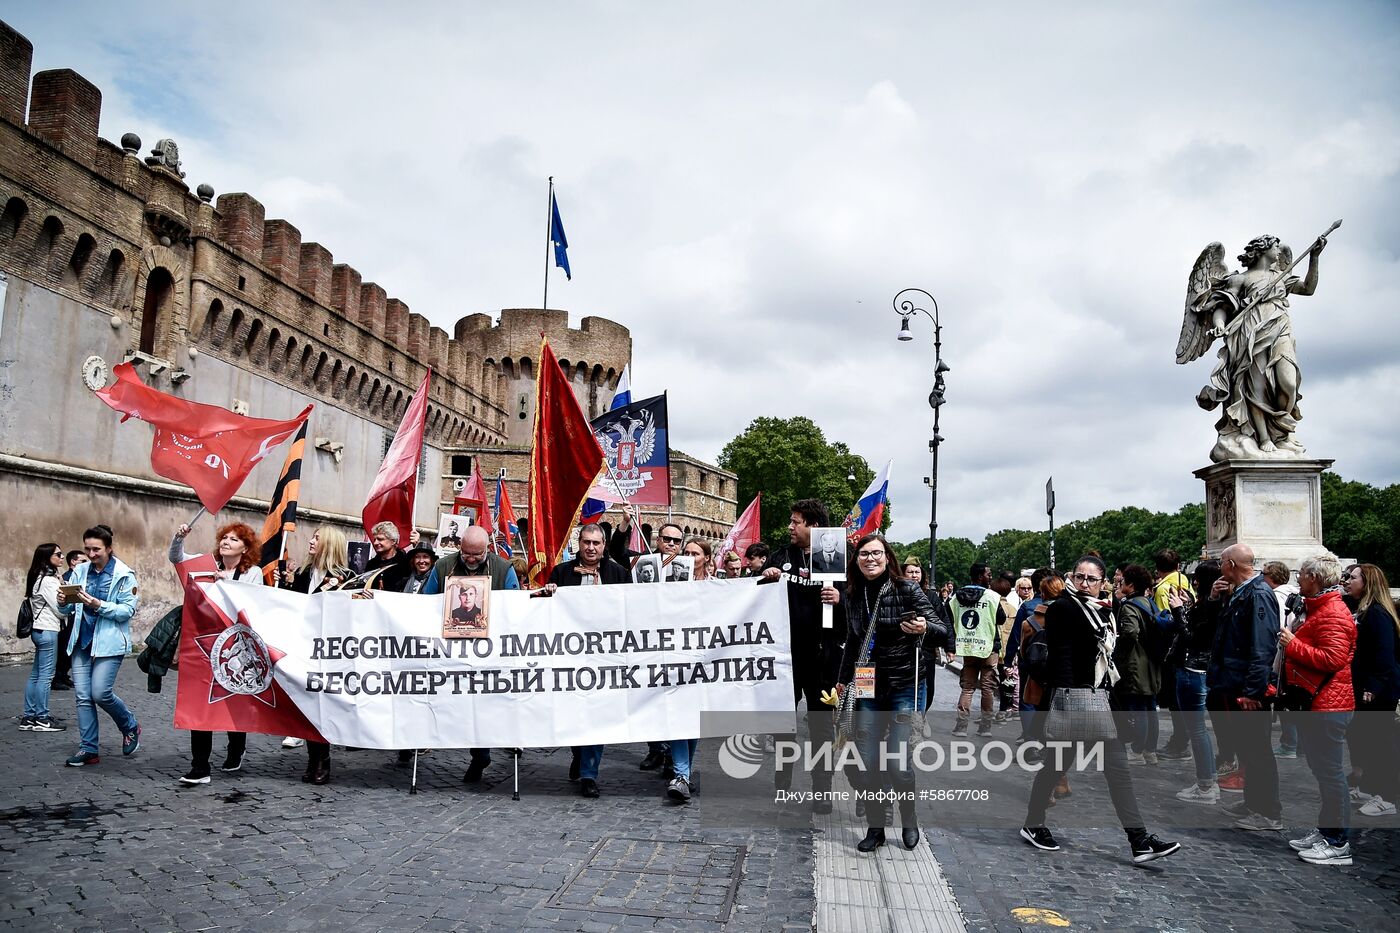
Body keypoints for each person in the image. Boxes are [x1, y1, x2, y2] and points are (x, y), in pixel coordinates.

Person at [1019, 555, 1180, 864]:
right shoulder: (1065, 608)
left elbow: (1110, 659)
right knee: (1055, 766)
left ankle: (1139, 840)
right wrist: (1069, 700)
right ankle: (1034, 824)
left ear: (1103, 582)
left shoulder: (1105, 612)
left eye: (1091, 579)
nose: (1084, 583)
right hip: (1075, 701)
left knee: (1112, 771)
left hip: (1101, 700)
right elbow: (1061, 659)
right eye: (1079, 576)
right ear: (1071, 577)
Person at [829, 533, 946, 852]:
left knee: (897, 763)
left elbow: (943, 630)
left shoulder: (906, 589)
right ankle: (876, 828)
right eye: (864, 554)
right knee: (866, 763)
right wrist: (842, 680)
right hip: (866, 682)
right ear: (856, 560)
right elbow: (854, 640)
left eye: (877, 553)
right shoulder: (853, 594)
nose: (870, 559)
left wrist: (923, 628)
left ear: (887, 557)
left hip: (903, 683)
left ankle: (909, 817)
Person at [759, 500, 846, 812]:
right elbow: (758, 601)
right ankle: (782, 782)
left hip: (822, 659)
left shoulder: (834, 558)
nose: (790, 527)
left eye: (796, 522)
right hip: (786, 656)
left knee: (822, 728)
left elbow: (852, 616)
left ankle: (821, 790)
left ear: (814, 526)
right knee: (783, 724)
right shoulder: (782, 556)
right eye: (791, 521)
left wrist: (839, 599)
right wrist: (764, 579)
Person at [424, 525, 519, 784]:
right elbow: (424, 602)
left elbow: (515, 607)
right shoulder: (443, 567)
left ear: (487, 549)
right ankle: (478, 752)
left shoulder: (503, 569)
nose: (471, 559)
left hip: (491, 650)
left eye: (477, 554)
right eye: (466, 553)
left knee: (485, 705)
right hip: (453, 649)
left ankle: (481, 754)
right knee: (463, 704)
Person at [540, 523, 631, 797]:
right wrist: (549, 594)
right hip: (570, 657)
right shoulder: (562, 572)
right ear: (579, 544)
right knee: (573, 712)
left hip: (605, 657)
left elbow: (633, 610)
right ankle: (578, 754)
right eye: (586, 542)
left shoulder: (620, 574)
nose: (591, 547)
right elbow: (545, 611)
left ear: (604, 547)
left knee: (597, 715)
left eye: (596, 543)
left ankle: (589, 774)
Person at [170, 520, 263, 785]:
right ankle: (200, 766)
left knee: (235, 700)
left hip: (236, 646)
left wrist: (228, 586)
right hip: (203, 645)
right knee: (199, 703)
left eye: (234, 540)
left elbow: (253, 604)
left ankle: (237, 746)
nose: (226, 542)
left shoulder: (252, 573)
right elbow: (177, 559)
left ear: (245, 548)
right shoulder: (207, 566)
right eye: (225, 537)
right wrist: (179, 537)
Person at [1279, 554, 1356, 865]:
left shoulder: (1333, 613)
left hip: (1328, 703)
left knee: (1331, 774)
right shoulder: (1319, 608)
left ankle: (1337, 843)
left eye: (1302, 574)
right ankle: (1328, 831)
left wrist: (1293, 643)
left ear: (1314, 577)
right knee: (1324, 772)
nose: (1298, 578)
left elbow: (1332, 659)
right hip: (1318, 701)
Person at [1207, 543, 1283, 832]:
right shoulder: (1241, 592)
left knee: (1258, 750)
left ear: (1231, 565)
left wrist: (1253, 691)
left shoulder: (1258, 594)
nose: (1219, 567)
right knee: (1248, 749)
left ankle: (1268, 812)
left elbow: (1262, 647)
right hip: (1235, 682)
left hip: (1246, 688)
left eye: (1221, 562)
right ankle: (1254, 803)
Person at [56, 525, 140, 767]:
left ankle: (129, 725)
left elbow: (126, 611)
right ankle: (88, 749)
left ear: (109, 549)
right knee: (83, 697)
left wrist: (97, 604)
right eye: (87, 549)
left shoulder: (125, 575)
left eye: (96, 549)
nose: (91, 554)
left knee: (100, 693)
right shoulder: (79, 571)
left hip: (109, 641)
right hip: (81, 640)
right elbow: (68, 609)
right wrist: (63, 602)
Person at [283, 525, 352, 780]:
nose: (311, 541)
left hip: (329, 650)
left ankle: (323, 761)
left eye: (317, 538)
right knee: (308, 703)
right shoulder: (302, 573)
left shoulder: (346, 577)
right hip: (303, 647)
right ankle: (314, 760)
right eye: (312, 537)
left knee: (323, 704)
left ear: (329, 545)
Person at [1343, 563, 1400, 817]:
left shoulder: (1377, 614)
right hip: (1369, 685)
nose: (1348, 581)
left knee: (1380, 744)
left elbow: (1384, 654)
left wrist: (1373, 686)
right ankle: (1369, 787)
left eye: (1353, 578)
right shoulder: (1366, 610)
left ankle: (1387, 797)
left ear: (1367, 583)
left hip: (1377, 689)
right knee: (1366, 740)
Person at [1166, 560, 1223, 804]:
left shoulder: (1212, 606)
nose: (1194, 581)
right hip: (1199, 670)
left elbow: (1191, 637)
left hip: (1192, 670)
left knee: (1197, 731)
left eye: (1196, 578)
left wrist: (1178, 610)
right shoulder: (1214, 604)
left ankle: (1206, 785)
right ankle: (1207, 782)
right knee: (1199, 731)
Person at [638, 522, 686, 774]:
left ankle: (672, 755)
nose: (671, 544)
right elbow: (617, 551)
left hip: (678, 644)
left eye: (676, 541)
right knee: (652, 699)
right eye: (667, 539)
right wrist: (624, 524)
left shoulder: (687, 568)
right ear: (658, 540)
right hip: (648, 644)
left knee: (675, 700)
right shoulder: (643, 563)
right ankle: (656, 748)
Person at [1113, 564, 1162, 764]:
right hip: (1151, 661)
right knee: (1150, 707)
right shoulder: (1149, 603)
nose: (1119, 583)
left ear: (1131, 585)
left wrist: (1119, 645)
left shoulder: (1129, 606)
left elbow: (1130, 632)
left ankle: (1137, 751)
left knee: (1138, 707)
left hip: (1135, 662)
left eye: (1122, 581)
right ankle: (1150, 750)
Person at [949, 563, 1004, 736]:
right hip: (988, 647)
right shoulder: (992, 597)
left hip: (967, 646)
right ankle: (985, 727)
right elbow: (1001, 619)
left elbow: (948, 617)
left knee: (967, 688)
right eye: (989, 574)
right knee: (988, 688)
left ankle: (961, 727)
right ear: (980, 576)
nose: (991, 577)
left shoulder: (956, 597)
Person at [20, 543, 66, 733]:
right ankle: (42, 718)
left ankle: (29, 717)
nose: (62, 557)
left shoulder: (38, 577)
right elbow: (60, 611)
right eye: (58, 554)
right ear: (48, 558)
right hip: (47, 630)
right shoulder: (48, 580)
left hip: (39, 630)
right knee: (46, 676)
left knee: (36, 675)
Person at [50, 549, 87, 692]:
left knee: (68, 651)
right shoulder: (70, 576)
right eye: (82, 561)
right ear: (73, 562)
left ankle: (63, 675)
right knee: (64, 649)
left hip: (73, 618)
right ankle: (58, 677)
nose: (86, 564)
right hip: (69, 618)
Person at [365, 521, 412, 592]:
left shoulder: (405, 564)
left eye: (380, 539)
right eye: (375, 539)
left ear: (393, 541)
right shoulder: (371, 564)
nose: (375, 543)